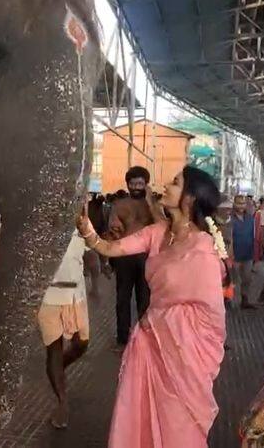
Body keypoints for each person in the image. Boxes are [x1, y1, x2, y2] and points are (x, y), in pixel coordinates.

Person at [77, 166, 228, 448]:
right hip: (149, 345)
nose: (166, 186)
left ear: (190, 198)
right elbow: (112, 248)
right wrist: (88, 230)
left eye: (175, 182)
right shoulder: (159, 232)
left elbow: (212, 317)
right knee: (140, 416)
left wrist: (165, 325)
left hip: (183, 353)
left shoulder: (203, 249)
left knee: (176, 423)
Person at [37, 231, 90, 429]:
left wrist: (102, 266)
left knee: (82, 343)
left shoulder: (80, 220)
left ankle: (58, 369)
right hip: (48, 296)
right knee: (54, 349)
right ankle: (62, 402)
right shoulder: (40, 221)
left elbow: (90, 248)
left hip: (76, 294)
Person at [106, 166, 155, 348]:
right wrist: (109, 258)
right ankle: (123, 339)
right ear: (127, 184)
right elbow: (114, 231)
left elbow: (161, 226)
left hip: (146, 257)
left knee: (145, 299)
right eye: (133, 183)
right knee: (122, 299)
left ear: (146, 184)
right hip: (124, 256)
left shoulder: (154, 205)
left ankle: (143, 337)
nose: (136, 187)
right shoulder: (119, 205)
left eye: (140, 183)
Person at [232, 195, 257, 309]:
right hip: (234, 254)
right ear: (234, 204)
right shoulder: (230, 218)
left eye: (243, 203)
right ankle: (228, 300)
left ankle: (244, 300)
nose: (241, 206)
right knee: (233, 280)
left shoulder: (250, 218)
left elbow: (253, 235)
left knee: (247, 279)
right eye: (238, 203)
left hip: (248, 253)